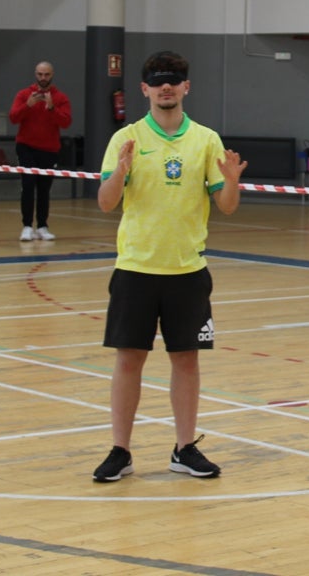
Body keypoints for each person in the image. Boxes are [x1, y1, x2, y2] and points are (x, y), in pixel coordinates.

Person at [92, 50, 247, 483]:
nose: (166, 87)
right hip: (136, 268)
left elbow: (227, 207)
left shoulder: (206, 140)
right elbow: (106, 204)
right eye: (158, 80)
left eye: (174, 80)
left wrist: (232, 183)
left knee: (187, 361)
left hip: (187, 271)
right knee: (129, 360)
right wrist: (119, 173)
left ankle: (184, 448)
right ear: (144, 88)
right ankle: (120, 451)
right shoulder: (126, 139)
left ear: (186, 87)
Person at [8, 60, 71, 241]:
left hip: (49, 149)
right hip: (26, 146)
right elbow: (13, 118)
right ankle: (27, 226)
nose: (43, 78)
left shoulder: (60, 98)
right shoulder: (23, 95)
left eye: (47, 74)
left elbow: (66, 122)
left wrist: (51, 108)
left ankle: (42, 226)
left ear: (52, 75)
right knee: (27, 186)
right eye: (40, 74)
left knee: (44, 189)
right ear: (35, 75)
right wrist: (27, 105)